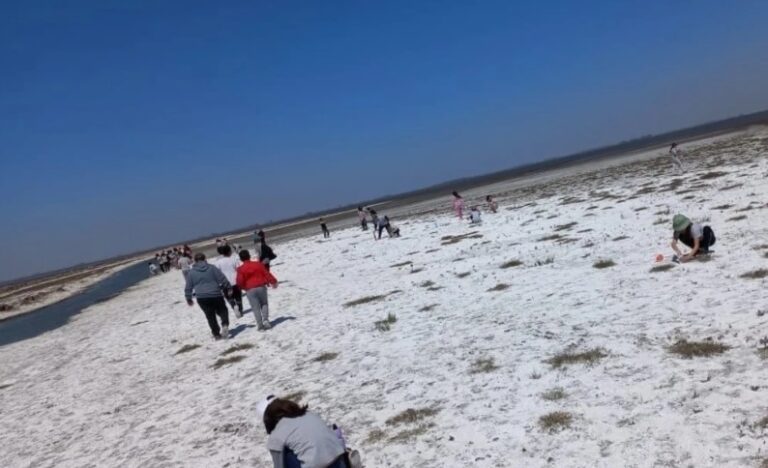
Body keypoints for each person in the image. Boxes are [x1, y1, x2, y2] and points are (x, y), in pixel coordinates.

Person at [257, 395, 348, 468]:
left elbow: (279, 465)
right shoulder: (309, 414)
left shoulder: (276, 435)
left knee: (285, 455)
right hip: (340, 461)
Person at [184, 253, 232, 340]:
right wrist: (228, 287)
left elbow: (188, 286)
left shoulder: (191, 272)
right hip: (215, 294)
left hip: (202, 297)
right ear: (205, 259)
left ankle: (216, 334)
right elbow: (222, 278)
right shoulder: (212, 268)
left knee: (210, 316)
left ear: (195, 260)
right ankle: (224, 324)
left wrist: (188, 298)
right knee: (223, 310)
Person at [236, 249, 278, 331]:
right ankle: (265, 320)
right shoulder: (258, 264)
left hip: (250, 289)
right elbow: (266, 273)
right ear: (249, 256)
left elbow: (239, 281)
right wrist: (273, 281)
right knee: (264, 304)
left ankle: (260, 325)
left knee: (255, 308)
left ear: (241, 259)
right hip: (261, 286)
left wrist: (242, 288)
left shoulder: (240, 269)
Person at [213, 244, 243, 318]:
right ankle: (240, 310)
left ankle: (233, 306)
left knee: (229, 297)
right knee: (238, 297)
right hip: (235, 281)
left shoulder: (218, 262)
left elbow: (217, 274)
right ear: (229, 252)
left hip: (225, 283)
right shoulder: (233, 259)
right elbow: (239, 269)